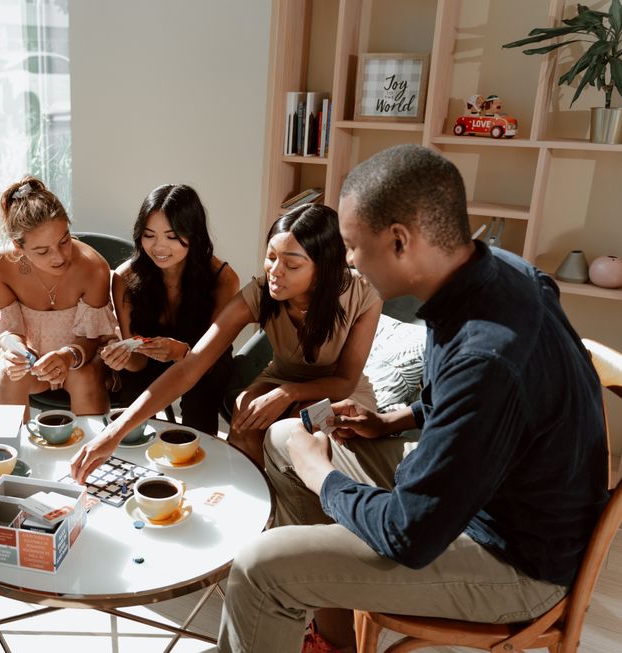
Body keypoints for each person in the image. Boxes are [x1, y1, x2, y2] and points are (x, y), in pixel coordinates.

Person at [218, 144, 609, 653]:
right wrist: (394, 418)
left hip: (515, 561)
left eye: (354, 247)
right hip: (480, 492)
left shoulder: (487, 354)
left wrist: (323, 475)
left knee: (260, 567)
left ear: (400, 241)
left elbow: (411, 534)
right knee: (283, 436)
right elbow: (488, 405)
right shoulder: (502, 273)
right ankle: (333, 641)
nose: (351, 263)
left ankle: (287, 600)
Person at [71, 201, 382, 474]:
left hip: (339, 390)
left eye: (292, 264)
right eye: (270, 256)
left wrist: (289, 394)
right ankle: (252, 502)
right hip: (282, 378)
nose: (274, 271)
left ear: (324, 268)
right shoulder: (261, 293)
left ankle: (295, 511)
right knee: (246, 408)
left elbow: (345, 380)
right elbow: (189, 367)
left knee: (302, 431)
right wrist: (112, 435)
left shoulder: (364, 294)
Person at [102, 184, 239, 434]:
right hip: (149, 362)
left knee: (201, 392)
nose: (159, 247)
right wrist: (123, 360)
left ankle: (195, 460)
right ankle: (136, 463)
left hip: (205, 362)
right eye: (149, 235)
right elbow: (137, 364)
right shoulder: (124, 277)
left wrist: (181, 353)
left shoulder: (223, 279)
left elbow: (208, 361)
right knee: (131, 391)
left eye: (172, 236)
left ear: (193, 234)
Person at [0, 176, 117, 418]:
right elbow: (8, 329)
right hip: (34, 363)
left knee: (82, 376)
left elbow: (93, 338)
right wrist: (16, 349)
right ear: (17, 246)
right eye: (42, 251)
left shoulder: (94, 268)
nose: (59, 257)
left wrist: (69, 356)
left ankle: (94, 452)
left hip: (84, 358)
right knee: (9, 372)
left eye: (64, 240)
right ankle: (8, 452)